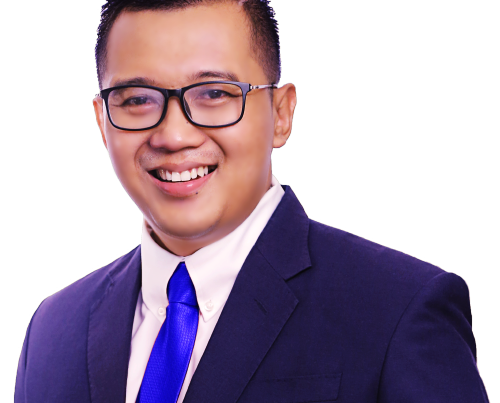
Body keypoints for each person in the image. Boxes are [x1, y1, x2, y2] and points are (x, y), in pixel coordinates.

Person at [14, 0, 489, 402]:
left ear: (282, 113)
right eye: (137, 99)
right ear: (102, 120)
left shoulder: (399, 309)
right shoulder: (54, 330)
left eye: (214, 94)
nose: (173, 135)